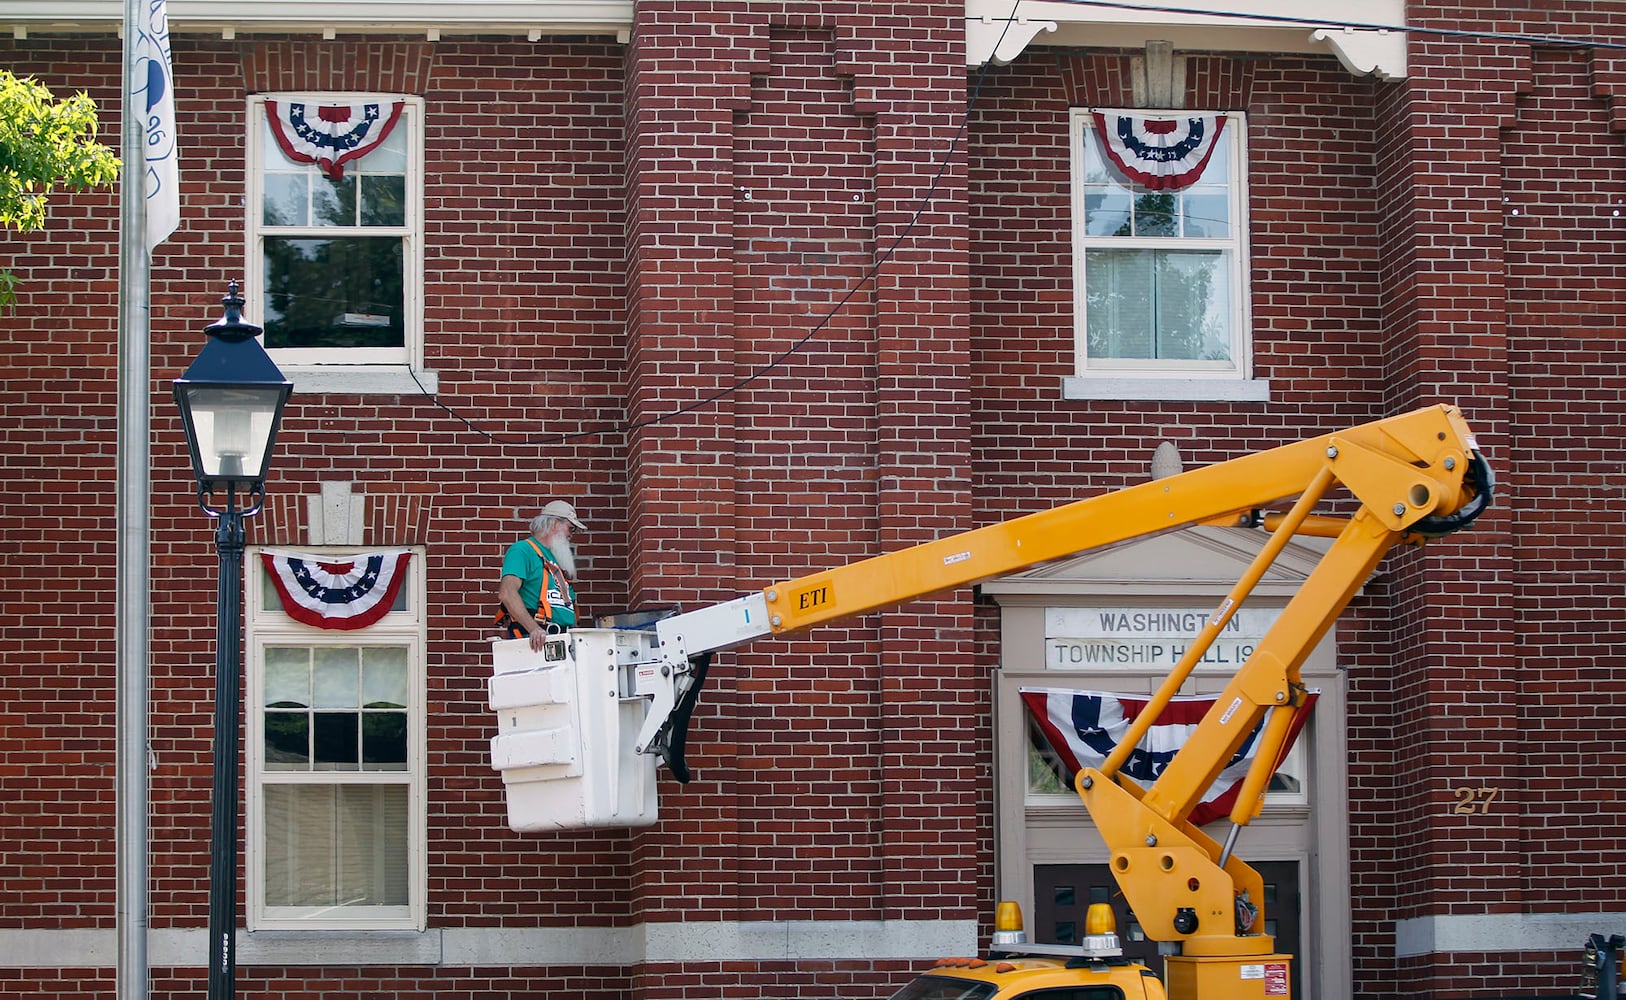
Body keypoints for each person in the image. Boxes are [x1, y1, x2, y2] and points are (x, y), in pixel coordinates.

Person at [496, 500, 586, 650]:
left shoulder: (556, 561)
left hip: (562, 643)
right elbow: (507, 593)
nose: (571, 535)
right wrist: (534, 629)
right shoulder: (523, 550)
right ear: (555, 524)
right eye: (571, 529)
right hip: (535, 644)